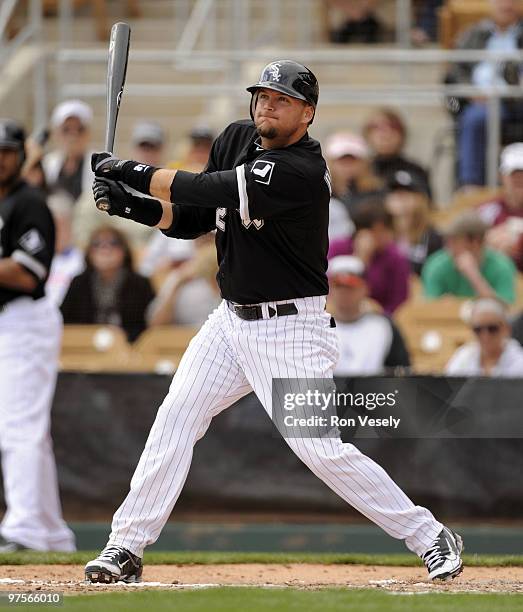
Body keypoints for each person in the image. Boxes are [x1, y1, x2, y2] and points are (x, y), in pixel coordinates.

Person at [84, 60, 463, 583]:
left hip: (290, 329)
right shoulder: (236, 137)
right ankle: (125, 547)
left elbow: (203, 189)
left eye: (282, 99)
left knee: (320, 449)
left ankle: (429, 535)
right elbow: (192, 219)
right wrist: (134, 208)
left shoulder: (302, 170)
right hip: (230, 321)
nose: (268, 104)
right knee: (175, 419)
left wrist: (127, 171)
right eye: (263, 95)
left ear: (307, 113)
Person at [0, 119, 75, 553]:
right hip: (7, 321)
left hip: (25, 319)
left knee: (18, 426)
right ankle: (50, 532)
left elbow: (28, 273)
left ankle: (24, 529)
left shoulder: (29, 204)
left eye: (9, 151)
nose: (4, 159)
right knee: (27, 429)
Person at [444, 0, 523, 188]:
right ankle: (471, 187)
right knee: (475, 118)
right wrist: (471, 91)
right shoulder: (472, 34)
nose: (506, 6)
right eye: (501, 1)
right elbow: (455, 71)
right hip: (483, 100)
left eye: (512, 1)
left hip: (518, 98)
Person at [61, 226, 155, 343]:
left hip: (130, 349)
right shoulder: (79, 283)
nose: (105, 248)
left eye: (113, 243)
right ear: (89, 253)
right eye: (97, 244)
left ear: (124, 251)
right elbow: (65, 322)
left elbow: (149, 326)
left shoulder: (141, 284)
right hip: (85, 346)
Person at [328, 255, 410, 376]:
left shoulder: (383, 326)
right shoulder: (317, 328)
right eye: (338, 286)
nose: (344, 293)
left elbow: (401, 371)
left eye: (350, 286)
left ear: (365, 288)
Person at [329, 198, 410, 314]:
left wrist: (380, 316)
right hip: (339, 318)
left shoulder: (396, 258)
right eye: (378, 231)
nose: (385, 236)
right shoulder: (338, 248)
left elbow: (399, 303)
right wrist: (360, 259)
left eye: (387, 230)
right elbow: (332, 292)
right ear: (361, 232)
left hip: (381, 319)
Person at [422, 211, 516, 304]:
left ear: (476, 243)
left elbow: (507, 309)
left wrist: (474, 276)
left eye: (454, 241)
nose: (448, 247)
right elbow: (430, 307)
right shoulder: (436, 265)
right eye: (447, 240)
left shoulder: (501, 266)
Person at [146, 235, 220, 327]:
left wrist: (213, 278)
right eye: (200, 241)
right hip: (184, 337)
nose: (205, 247)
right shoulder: (178, 276)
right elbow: (156, 323)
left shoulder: (232, 276)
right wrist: (178, 283)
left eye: (209, 240)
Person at [363, 108, 431, 200]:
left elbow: (427, 206)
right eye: (377, 128)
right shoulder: (361, 170)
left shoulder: (416, 171)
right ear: (367, 135)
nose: (386, 135)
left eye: (393, 127)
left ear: (402, 135)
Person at [385, 170, 443, 275]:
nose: (398, 196)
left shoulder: (432, 237)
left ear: (420, 198)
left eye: (406, 192)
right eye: (394, 192)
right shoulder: (380, 234)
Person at [446, 298, 523, 376]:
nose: (485, 335)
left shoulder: (520, 361)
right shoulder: (463, 358)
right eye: (478, 329)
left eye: (492, 328)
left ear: (506, 329)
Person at [477, 142, 523, 271]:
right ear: (502, 176)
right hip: (495, 280)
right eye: (514, 174)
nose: (519, 178)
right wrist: (487, 242)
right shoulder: (486, 211)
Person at [324, 130, 383, 227]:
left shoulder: (375, 193)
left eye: (353, 160)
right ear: (331, 163)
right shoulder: (321, 192)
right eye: (342, 161)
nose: (347, 166)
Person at [42, 100, 94, 203]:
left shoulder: (99, 166)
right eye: (66, 130)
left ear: (88, 134)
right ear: (56, 134)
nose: (73, 136)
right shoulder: (47, 164)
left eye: (80, 130)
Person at [45, 191, 85, 306]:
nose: (53, 233)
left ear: (71, 225)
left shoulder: (81, 261)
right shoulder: (37, 258)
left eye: (58, 227)